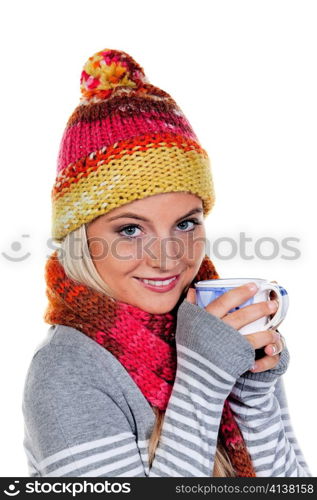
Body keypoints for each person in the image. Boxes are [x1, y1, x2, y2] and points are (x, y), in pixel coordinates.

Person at [22, 48, 312, 477]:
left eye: (185, 223)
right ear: (83, 238)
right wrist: (205, 378)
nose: (168, 257)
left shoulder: (212, 331)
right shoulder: (66, 370)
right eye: (130, 230)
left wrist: (252, 395)